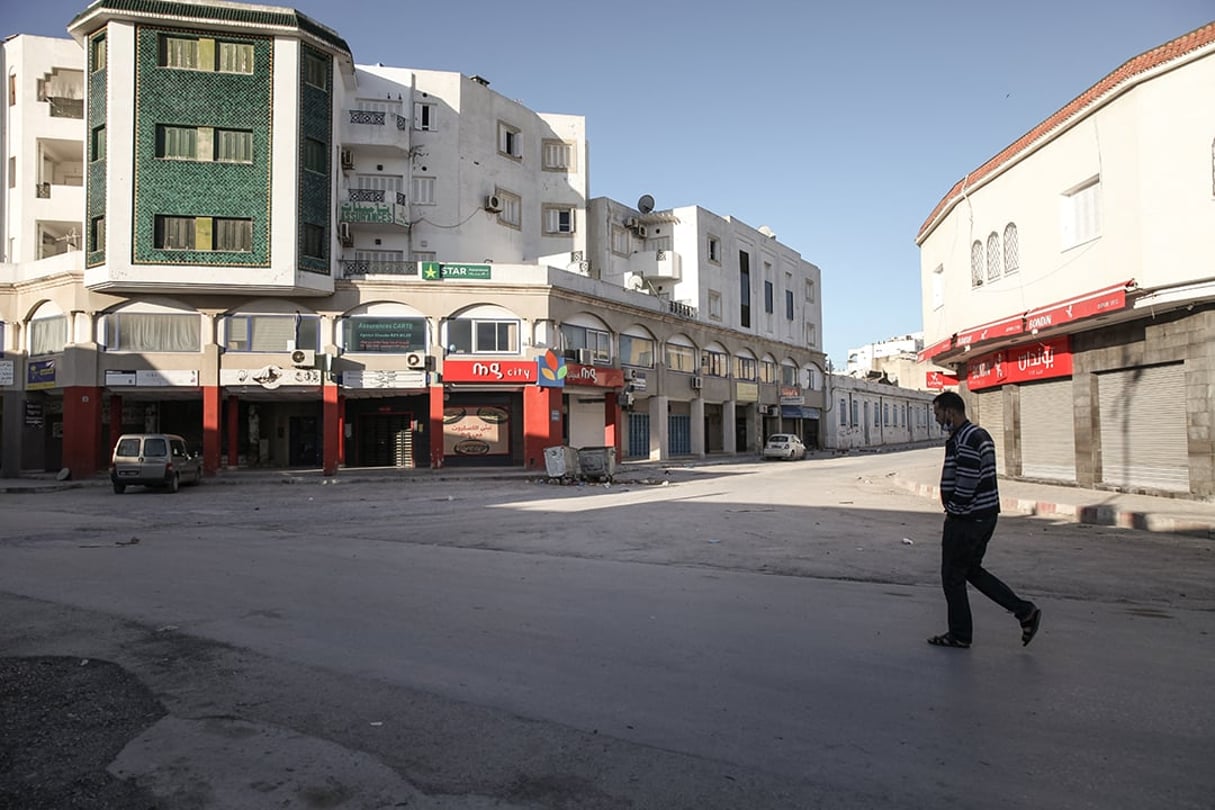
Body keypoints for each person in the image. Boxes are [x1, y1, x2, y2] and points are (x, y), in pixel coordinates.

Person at [927, 391, 1041, 649]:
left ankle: (960, 635)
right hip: (985, 516)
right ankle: (1024, 612)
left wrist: (954, 511)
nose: (936, 419)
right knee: (971, 571)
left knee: (952, 577)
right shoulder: (978, 434)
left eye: (937, 413)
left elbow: (966, 484)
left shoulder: (965, 439)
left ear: (950, 412)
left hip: (968, 520)